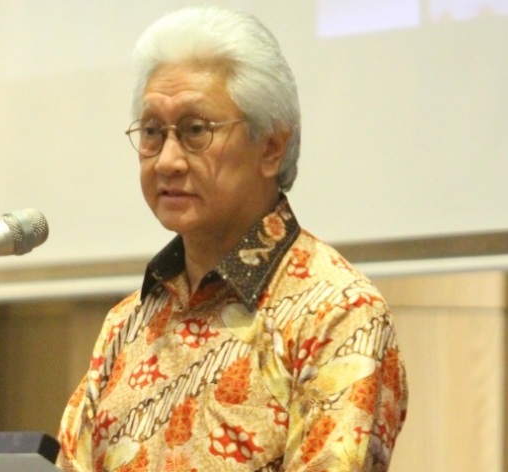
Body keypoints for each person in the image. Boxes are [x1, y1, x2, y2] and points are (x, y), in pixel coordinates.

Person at [56, 5, 407, 471]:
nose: (167, 161)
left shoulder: (337, 313)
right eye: (153, 132)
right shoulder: (127, 323)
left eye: (195, 131)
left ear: (271, 147)